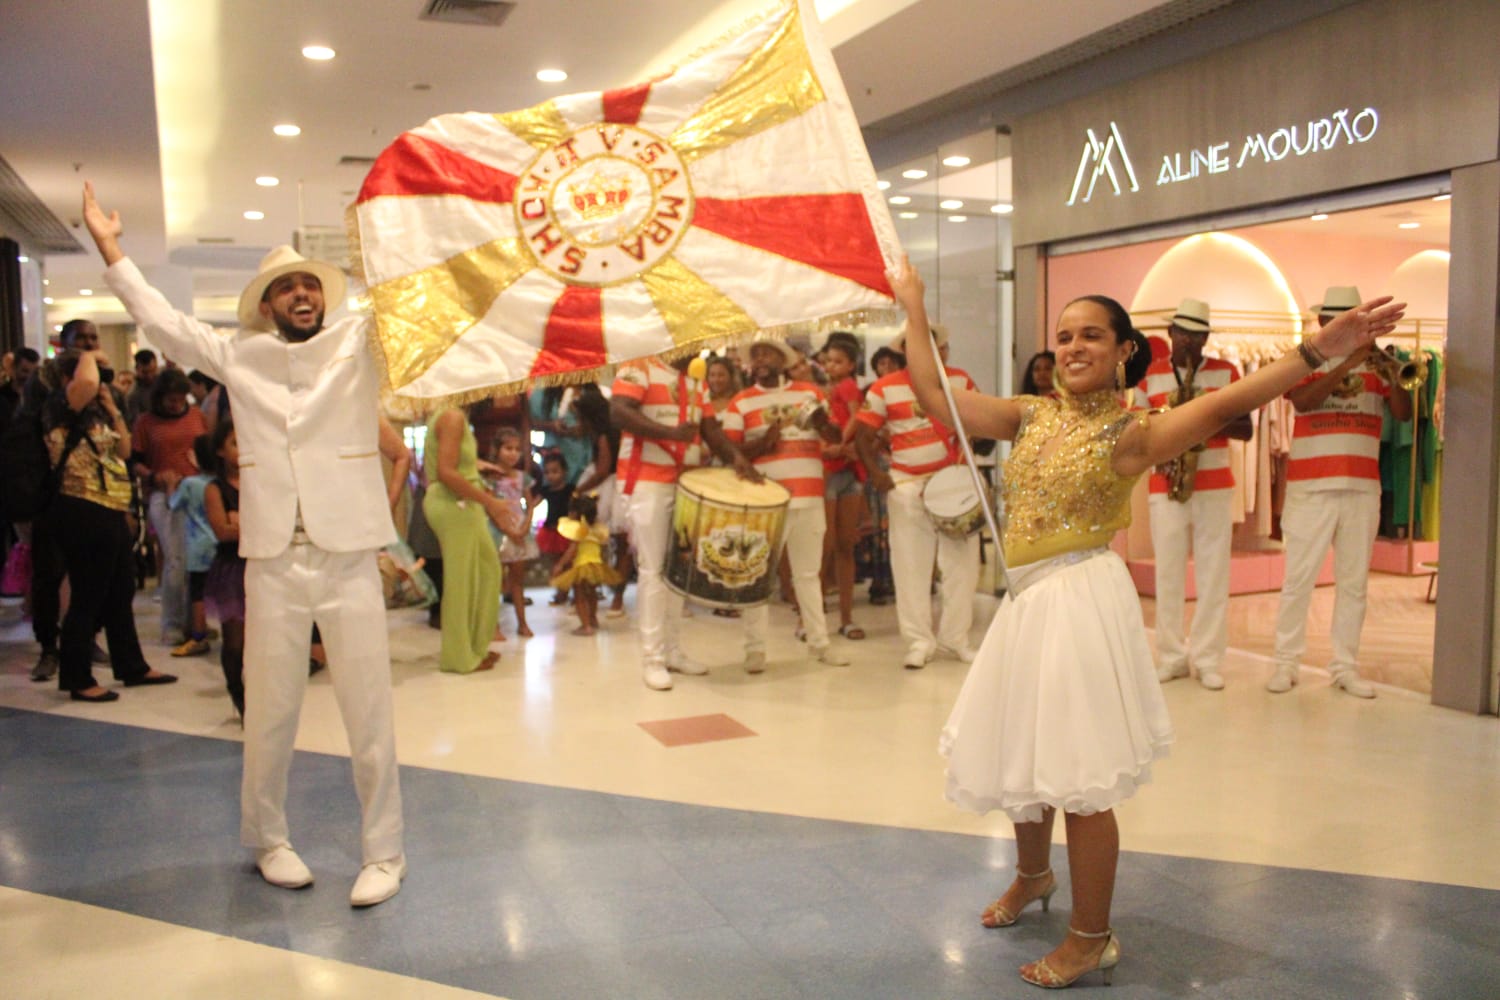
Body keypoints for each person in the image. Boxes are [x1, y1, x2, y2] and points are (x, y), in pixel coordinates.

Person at [891, 257, 1402, 989]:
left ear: (1125, 350)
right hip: (1027, 602)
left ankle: (1091, 936)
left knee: (1079, 778)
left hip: (1078, 601)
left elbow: (1229, 405)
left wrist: (1320, 347)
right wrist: (913, 307)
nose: (1073, 348)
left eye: (1091, 335)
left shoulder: (1134, 431)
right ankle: (1034, 875)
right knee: (1019, 752)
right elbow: (935, 397)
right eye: (1064, 336)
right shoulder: (1027, 414)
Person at [87, 182, 413, 908]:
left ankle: (384, 852)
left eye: (308, 284)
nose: (300, 294)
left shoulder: (361, 342)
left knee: (369, 708)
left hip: (348, 554)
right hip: (271, 557)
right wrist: (112, 249)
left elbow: (417, 298)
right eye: (285, 287)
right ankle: (268, 839)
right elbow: (163, 322)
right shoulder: (240, 357)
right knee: (270, 707)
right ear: (266, 304)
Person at [1268, 285, 1414, 698]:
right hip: (1310, 488)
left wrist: (1390, 373)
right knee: (1299, 580)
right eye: (1335, 320)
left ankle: (1345, 667)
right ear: (1321, 323)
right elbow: (1303, 402)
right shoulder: (1304, 359)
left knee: (1354, 584)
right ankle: (1285, 663)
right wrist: (1348, 360)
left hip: (1362, 487)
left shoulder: (1380, 361)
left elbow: (1402, 413)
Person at [704, 338, 851, 673]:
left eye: (767, 353)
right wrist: (763, 443)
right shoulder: (741, 402)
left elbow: (835, 438)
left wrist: (821, 424)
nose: (760, 359)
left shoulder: (809, 392)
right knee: (758, 577)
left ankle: (820, 644)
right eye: (755, 355)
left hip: (810, 495)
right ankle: (755, 649)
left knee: (809, 575)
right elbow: (731, 454)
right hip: (765, 503)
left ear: (782, 360)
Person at [42, 348, 178, 701]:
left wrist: (114, 408)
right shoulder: (59, 404)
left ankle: (131, 665)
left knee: (120, 590)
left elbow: (125, 451)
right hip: (79, 506)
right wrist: (88, 355)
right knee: (88, 593)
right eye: (94, 370)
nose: (100, 376)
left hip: (110, 506)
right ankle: (76, 675)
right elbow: (84, 380)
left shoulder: (98, 410)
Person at [1137, 299, 1251, 691]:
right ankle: (1170, 657)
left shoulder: (1227, 372)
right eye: (1181, 332)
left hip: (1215, 485)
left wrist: (1205, 414)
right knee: (1167, 576)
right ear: (1170, 335)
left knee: (1214, 575)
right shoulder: (1149, 375)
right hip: (1164, 484)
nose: (1186, 340)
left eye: (1195, 334)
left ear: (1205, 338)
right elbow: (1137, 428)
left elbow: (1245, 429)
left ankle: (1207, 659)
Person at [854, 325, 980, 670]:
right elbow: (863, 435)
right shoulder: (884, 388)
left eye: (933, 346)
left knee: (963, 566)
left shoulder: (961, 381)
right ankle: (919, 641)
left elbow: (982, 423)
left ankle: (956, 640)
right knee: (910, 565)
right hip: (907, 484)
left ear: (944, 350)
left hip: (953, 483)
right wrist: (877, 475)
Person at [610, 355, 710, 691]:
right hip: (646, 480)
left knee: (678, 570)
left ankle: (672, 652)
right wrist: (671, 434)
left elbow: (709, 427)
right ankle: (651, 659)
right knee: (653, 569)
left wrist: (737, 459)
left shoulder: (698, 378)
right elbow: (619, 411)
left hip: (686, 481)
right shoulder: (639, 367)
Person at [423, 406, 508, 673]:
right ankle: (459, 657)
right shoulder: (452, 416)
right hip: (454, 504)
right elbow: (446, 472)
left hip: (462, 503)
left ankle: (475, 647)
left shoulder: (452, 415)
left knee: (486, 571)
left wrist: (477, 467)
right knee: (462, 581)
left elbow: (453, 463)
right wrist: (491, 503)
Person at [131, 367, 208, 645]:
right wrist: (154, 476)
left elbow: (208, 449)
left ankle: (194, 620)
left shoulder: (197, 416)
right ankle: (172, 623)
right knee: (175, 559)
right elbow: (135, 461)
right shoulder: (145, 422)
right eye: (170, 399)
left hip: (197, 493)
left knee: (196, 560)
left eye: (180, 398)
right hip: (164, 496)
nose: (176, 404)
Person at [819, 333, 868, 640]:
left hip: (842, 466)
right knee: (832, 546)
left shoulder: (848, 387)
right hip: (834, 466)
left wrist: (841, 442)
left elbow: (857, 417)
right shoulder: (827, 390)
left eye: (838, 361)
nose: (831, 366)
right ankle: (828, 615)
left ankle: (840, 615)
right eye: (828, 361)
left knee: (840, 546)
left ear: (851, 365)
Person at [204, 419, 248, 718]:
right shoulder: (214, 489)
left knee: (263, 640)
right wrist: (241, 525)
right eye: (234, 442)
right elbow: (222, 530)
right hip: (232, 569)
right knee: (234, 640)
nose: (242, 449)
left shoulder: (261, 483)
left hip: (260, 564)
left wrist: (240, 522)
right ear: (220, 450)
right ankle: (239, 697)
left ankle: (259, 699)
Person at [168, 434, 219, 657]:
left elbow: (173, 504)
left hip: (198, 547)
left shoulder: (191, 484)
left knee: (198, 593)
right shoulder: (221, 483)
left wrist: (171, 486)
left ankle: (198, 636)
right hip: (222, 545)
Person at [487, 426, 536, 639]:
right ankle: (493, 625)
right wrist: (505, 528)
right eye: (508, 448)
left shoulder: (522, 476)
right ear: (497, 449)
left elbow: (530, 503)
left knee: (517, 580)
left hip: (518, 529)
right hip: (497, 531)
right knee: (495, 580)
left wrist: (525, 526)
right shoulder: (489, 476)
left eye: (517, 449)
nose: (513, 453)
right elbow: (488, 506)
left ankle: (522, 623)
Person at [550, 493, 623, 636]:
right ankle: (593, 619)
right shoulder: (596, 530)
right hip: (596, 565)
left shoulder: (578, 531)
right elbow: (602, 550)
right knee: (592, 594)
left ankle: (586, 626)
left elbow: (572, 550)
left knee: (579, 597)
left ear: (575, 513)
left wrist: (560, 565)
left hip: (582, 566)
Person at [124, 348, 159, 426]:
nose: (150, 376)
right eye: (145, 372)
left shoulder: (164, 384)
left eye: (153, 371)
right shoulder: (133, 395)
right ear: (137, 369)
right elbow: (136, 423)